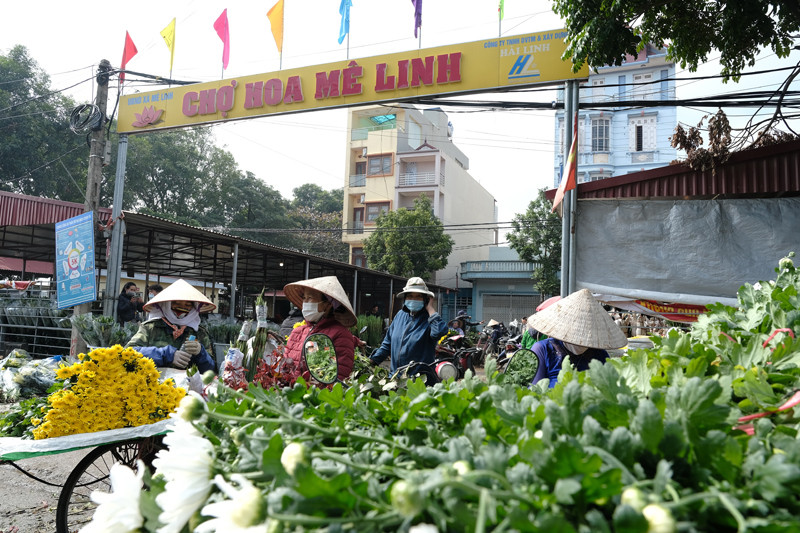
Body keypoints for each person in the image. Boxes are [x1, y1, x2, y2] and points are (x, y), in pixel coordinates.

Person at [528, 289, 627, 388]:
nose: (581, 342)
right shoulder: (543, 349)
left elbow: (607, 387)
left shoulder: (600, 354)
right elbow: (534, 390)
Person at [126, 279, 217, 373]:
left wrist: (201, 353)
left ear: (194, 307)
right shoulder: (151, 327)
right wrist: (167, 354)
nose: (182, 307)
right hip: (153, 380)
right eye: (176, 303)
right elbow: (128, 353)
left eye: (188, 304)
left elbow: (210, 370)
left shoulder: (199, 333)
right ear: (167, 304)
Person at [283, 276, 357, 381]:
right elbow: (285, 366)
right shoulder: (297, 332)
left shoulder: (341, 334)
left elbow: (339, 375)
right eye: (304, 298)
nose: (305, 302)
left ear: (327, 305)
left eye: (310, 298)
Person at [369, 277, 448, 373]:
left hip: (421, 379)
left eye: (418, 296)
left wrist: (430, 308)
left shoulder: (430, 319)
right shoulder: (400, 316)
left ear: (425, 299)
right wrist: (372, 361)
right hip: (396, 377)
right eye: (410, 296)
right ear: (405, 298)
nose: (414, 299)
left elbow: (439, 332)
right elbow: (387, 344)